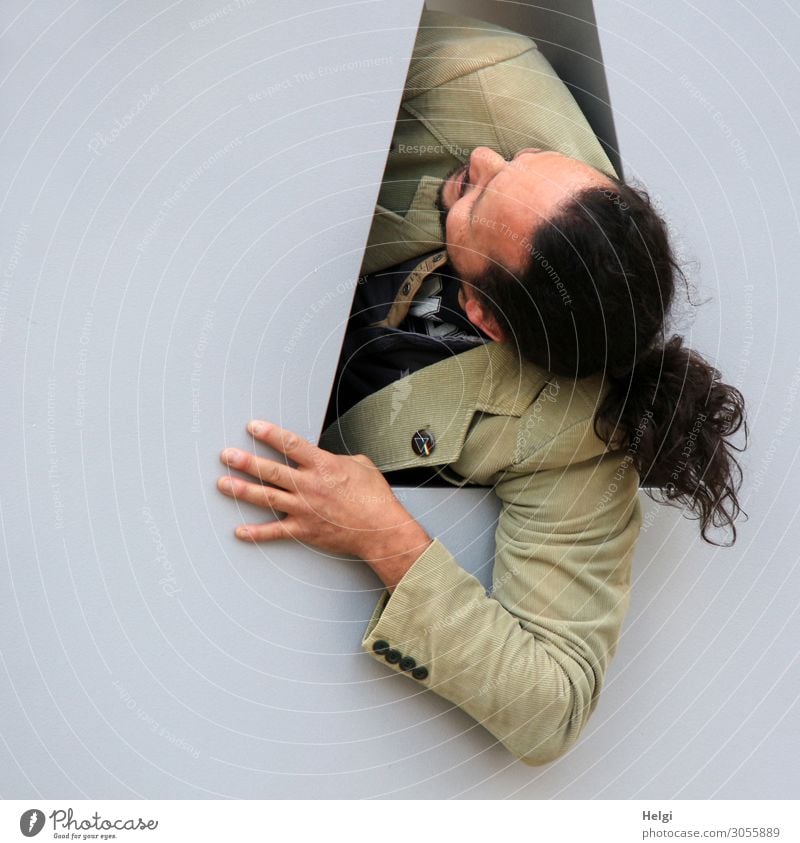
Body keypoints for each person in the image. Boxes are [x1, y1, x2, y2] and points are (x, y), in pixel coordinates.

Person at [217, 10, 748, 765]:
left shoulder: (579, 440)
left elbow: (550, 705)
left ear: (483, 314)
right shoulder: (481, 79)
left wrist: (385, 534)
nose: (480, 155)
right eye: (521, 159)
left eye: (472, 195)